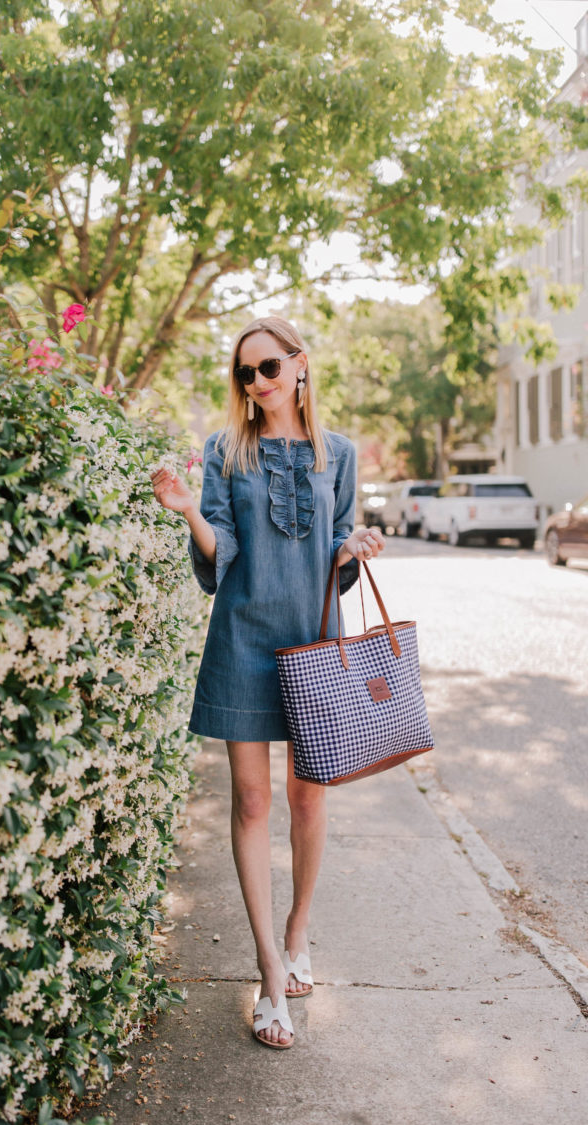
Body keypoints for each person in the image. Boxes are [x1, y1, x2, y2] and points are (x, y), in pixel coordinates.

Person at [151, 316, 384, 1051]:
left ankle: (298, 931)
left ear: (299, 366)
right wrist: (190, 511)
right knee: (252, 802)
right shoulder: (226, 450)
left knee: (307, 798)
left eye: (269, 369)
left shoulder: (337, 453)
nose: (257, 384)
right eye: (245, 374)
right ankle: (269, 976)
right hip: (243, 641)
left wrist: (354, 545)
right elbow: (224, 552)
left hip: (314, 643)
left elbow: (339, 556)